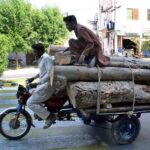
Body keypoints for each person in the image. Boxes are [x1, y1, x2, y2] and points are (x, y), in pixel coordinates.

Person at [27, 43, 55, 129]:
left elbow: (50, 73)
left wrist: (37, 83)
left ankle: (50, 117)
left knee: (30, 103)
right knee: (31, 93)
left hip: (47, 86)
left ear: (40, 51)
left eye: (35, 51)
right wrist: (33, 78)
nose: (33, 53)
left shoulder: (46, 58)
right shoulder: (43, 58)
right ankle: (41, 113)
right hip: (43, 85)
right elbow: (42, 72)